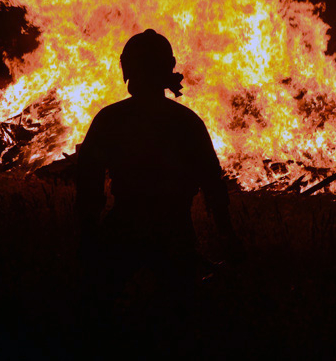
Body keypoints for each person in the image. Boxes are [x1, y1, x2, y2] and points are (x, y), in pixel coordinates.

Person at [75, 29, 241, 327]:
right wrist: (226, 233)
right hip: (173, 228)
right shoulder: (187, 122)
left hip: (125, 224)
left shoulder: (110, 119)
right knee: (180, 317)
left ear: (127, 68)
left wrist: (88, 230)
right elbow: (212, 183)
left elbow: (89, 180)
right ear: (169, 67)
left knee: (95, 308)